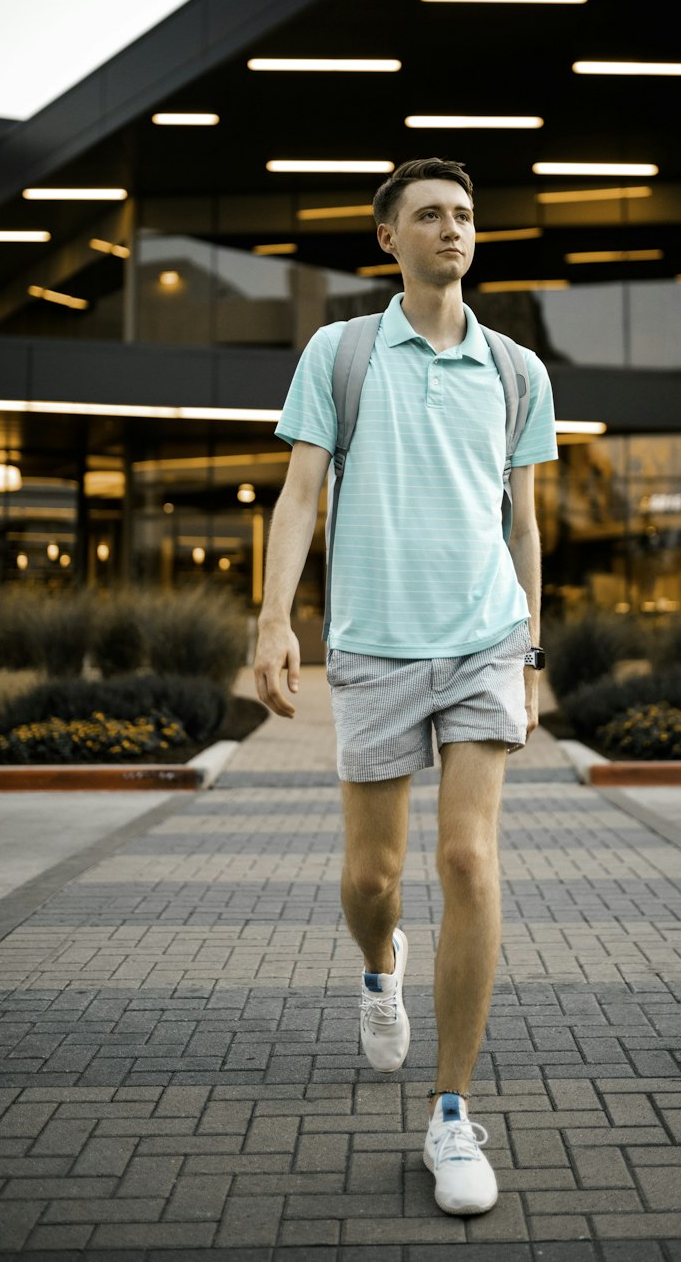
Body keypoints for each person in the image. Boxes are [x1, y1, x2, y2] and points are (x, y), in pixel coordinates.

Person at [253, 157, 558, 1216]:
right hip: (375, 648)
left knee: (468, 860)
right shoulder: (340, 356)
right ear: (387, 238)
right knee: (372, 881)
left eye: (464, 216)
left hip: (482, 638)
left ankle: (450, 1111)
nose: (452, 229)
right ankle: (380, 971)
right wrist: (272, 620)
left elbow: (522, 524)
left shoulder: (516, 370)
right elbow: (297, 499)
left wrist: (530, 655)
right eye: (429, 215)